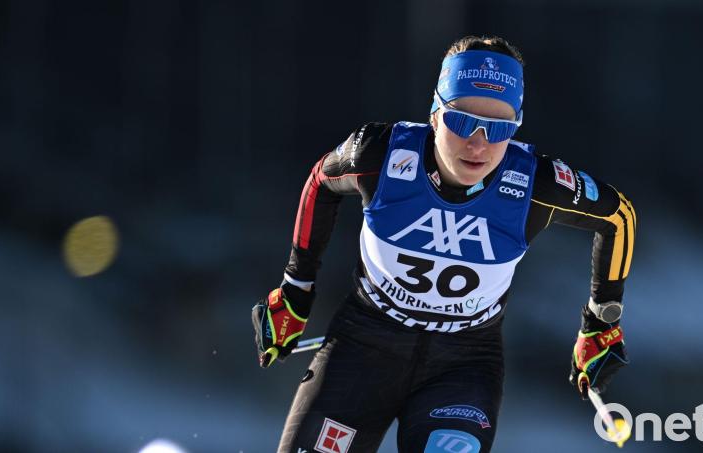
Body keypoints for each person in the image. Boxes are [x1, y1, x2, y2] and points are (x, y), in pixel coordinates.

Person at [252, 35, 636, 453]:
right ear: (435, 115)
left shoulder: (535, 185)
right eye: (462, 121)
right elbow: (321, 181)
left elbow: (618, 217)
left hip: (463, 365)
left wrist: (602, 321)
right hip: (363, 348)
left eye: (499, 128)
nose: (479, 143)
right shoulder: (379, 155)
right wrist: (296, 288)